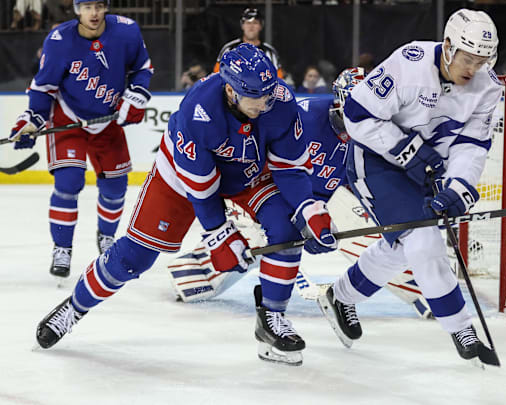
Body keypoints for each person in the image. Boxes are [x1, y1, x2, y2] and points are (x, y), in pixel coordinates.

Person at [35, 44, 339, 368]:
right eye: (255, 95)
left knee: (285, 228)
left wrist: (309, 209)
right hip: (180, 179)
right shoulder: (200, 110)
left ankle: (272, 320)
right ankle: (75, 306)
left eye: (268, 92)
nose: (265, 102)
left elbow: (290, 168)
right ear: (231, 90)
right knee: (132, 257)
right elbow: (201, 189)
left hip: (248, 173)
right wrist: (220, 235)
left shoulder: (278, 100)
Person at [167, 67, 435, 318]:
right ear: (340, 103)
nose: (361, 120)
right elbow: (267, 166)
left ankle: (427, 289)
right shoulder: (303, 117)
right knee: (261, 239)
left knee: (383, 231)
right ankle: (195, 273)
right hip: (269, 194)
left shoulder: (378, 134)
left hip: (319, 204)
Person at [315, 9, 503, 363]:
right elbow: (357, 115)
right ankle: (462, 328)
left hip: (429, 167)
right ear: (448, 46)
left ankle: (341, 297)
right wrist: (408, 151)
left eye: (482, 60)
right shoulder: (409, 62)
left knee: (404, 246)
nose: (474, 68)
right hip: (376, 162)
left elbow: (472, 145)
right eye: (468, 58)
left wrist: (459, 185)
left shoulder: (487, 86)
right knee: (422, 238)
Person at [7, 0, 153, 281]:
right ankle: (62, 248)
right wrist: (32, 120)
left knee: (115, 187)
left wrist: (135, 95)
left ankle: (107, 238)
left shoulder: (127, 31)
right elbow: (43, 86)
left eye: (99, 6)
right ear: (76, 10)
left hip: (107, 121)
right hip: (68, 119)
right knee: (68, 182)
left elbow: (142, 68)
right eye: (87, 7)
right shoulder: (59, 40)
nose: (94, 13)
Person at [212, 8, 284, 79]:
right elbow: (216, 76)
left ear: (260, 26)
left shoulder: (270, 52)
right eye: (248, 23)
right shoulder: (229, 49)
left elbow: (279, 80)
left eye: (255, 23)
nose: (251, 27)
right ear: (242, 25)